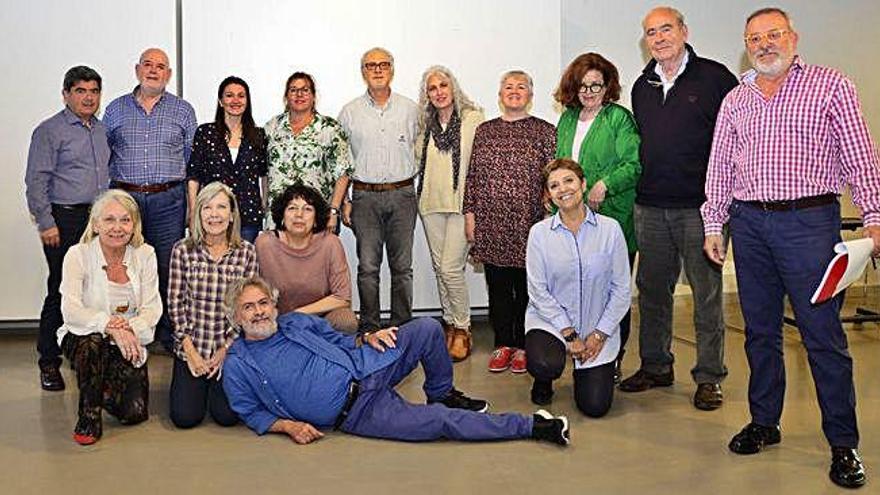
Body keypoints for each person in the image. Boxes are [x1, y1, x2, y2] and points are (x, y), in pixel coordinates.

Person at [701, 7, 880, 489]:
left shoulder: (830, 85)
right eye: (754, 37)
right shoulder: (736, 99)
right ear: (745, 44)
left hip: (809, 225)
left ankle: (844, 444)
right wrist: (714, 222)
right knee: (759, 333)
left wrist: (874, 216)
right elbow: (720, 166)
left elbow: (860, 154)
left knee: (822, 336)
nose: (764, 44)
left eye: (773, 34)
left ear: (793, 38)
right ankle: (765, 422)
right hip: (750, 225)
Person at [221, 275, 570, 446]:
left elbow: (340, 338)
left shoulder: (294, 322)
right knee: (440, 424)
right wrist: (288, 426)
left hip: (367, 364)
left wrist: (368, 337)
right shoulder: (239, 363)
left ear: (274, 305)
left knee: (427, 329)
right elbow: (251, 412)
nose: (258, 312)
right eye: (248, 307)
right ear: (235, 317)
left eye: (263, 303)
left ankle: (442, 391)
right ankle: (533, 426)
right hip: (359, 412)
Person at [620, 6, 738, 412]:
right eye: (651, 32)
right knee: (652, 291)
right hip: (650, 206)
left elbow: (736, 141)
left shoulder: (716, 78)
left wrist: (723, 204)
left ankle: (709, 376)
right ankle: (656, 365)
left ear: (684, 31)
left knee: (706, 295)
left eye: (666, 29)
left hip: (701, 209)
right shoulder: (642, 85)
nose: (659, 38)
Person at [103, 47, 198, 352]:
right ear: (137, 70)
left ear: (168, 74)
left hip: (168, 200)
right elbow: (106, 154)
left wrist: (189, 204)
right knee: (127, 266)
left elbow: (190, 159)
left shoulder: (183, 110)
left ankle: (169, 334)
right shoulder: (115, 109)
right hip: (125, 200)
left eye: (161, 66)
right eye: (148, 65)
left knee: (168, 267)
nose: (154, 70)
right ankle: (129, 329)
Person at [553, 52, 641, 380]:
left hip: (612, 218)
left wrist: (605, 183)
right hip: (573, 220)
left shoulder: (619, 118)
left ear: (608, 87)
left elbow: (633, 164)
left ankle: (612, 357)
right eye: (582, 86)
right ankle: (581, 350)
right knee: (579, 288)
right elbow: (558, 166)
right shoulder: (567, 119)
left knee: (613, 290)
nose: (589, 92)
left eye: (596, 86)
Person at [463, 70, 556, 374]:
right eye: (508, 87)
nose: (514, 91)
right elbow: (473, 176)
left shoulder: (545, 131)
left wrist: (548, 215)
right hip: (491, 222)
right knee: (498, 287)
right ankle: (504, 343)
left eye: (521, 87)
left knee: (528, 288)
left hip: (530, 223)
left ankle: (526, 345)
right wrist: (470, 215)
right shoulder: (486, 131)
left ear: (530, 94)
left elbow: (552, 179)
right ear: (500, 95)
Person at [25, 65, 110, 391]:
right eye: (80, 91)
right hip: (64, 219)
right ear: (66, 94)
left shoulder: (102, 130)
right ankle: (49, 361)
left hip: (98, 220)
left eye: (93, 91)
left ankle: (84, 356)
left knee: (96, 289)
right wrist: (46, 223)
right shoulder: (49, 130)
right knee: (62, 288)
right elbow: (36, 182)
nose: (88, 97)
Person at [525, 159, 630, 415]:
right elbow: (538, 291)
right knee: (545, 363)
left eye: (569, 181)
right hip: (551, 322)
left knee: (595, 407)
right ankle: (544, 378)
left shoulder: (610, 230)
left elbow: (621, 290)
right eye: (554, 185)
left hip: (597, 326)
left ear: (583, 184)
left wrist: (598, 334)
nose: (563, 189)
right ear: (548, 195)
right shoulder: (539, 234)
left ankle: (593, 369)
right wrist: (569, 334)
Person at [58, 189, 160, 445]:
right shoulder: (77, 255)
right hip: (82, 336)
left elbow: (152, 309)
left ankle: (97, 381)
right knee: (92, 343)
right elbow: (71, 310)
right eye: (109, 220)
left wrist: (127, 328)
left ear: (134, 224)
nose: (117, 228)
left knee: (133, 413)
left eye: (125, 220)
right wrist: (109, 326)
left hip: (128, 337)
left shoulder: (145, 254)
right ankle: (88, 416)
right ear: (95, 224)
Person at [338, 47, 420, 331]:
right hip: (364, 197)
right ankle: (370, 327)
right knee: (368, 268)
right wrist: (345, 200)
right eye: (370, 65)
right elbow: (342, 161)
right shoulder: (349, 113)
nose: (377, 70)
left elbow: (420, 151)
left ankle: (403, 327)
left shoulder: (411, 110)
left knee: (402, 269)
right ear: (363, 72)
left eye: (383, 64)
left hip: (402, 195)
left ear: (392, 69)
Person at [168, 182, 258, 428]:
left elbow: (247, 309)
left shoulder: (247, 253)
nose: (214, 214)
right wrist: (190, 351)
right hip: (191, 346)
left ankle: (216, 385)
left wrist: (225, 349)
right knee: (185, 418)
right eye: (207, 208)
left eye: (221, 207)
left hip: (227, 348)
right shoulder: (182, 250)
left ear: (231, 216)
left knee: (227, 417)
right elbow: (176, 303)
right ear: (198, 214)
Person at [415, 65, 485, 360]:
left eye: (443, 85)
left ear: (453, 87)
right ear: (427, 95)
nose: (439, 92)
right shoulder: (425, 126)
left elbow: (481, 166)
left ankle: (463, 327)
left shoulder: (473, 119)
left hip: (460, 207)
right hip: (431, 205)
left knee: (450, 269)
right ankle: (448, 323)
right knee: (438, 267)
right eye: (433, 88)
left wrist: (477, 210)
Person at [255, 183, 358, 333]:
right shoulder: (264, 244)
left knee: (346, 321)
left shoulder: (331, 243)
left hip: (319, 319)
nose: (299, 215)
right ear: (282, 216)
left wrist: (298, 314)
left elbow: (342, 297)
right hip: (276, 321)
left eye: (307, 209)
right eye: (292, 208)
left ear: (316, 219)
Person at [265, 72, 351, 233]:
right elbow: (263, 170)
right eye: (293, 90)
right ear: (286, 97)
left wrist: (334, 211)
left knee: (317, 258)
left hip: (318, 216)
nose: (299, 95)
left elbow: (343, 173)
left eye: (305, 90)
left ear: (313, 96)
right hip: (279, 217)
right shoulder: (272, 127)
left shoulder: (330, 129)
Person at [188, 76, 268, 243]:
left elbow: (264, 174)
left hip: (248, 214)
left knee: (243, 263)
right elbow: (194, 176)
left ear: (247, 101)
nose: (235, 100)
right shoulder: (205, 133)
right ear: (220, 101)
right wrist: (194, 210)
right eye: (229, 95)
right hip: (212, 215)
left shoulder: (258, 135)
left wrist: (265, 205)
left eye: (241, 95)